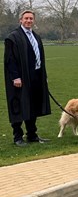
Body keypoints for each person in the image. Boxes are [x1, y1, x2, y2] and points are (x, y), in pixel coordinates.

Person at [4, 10, 51, 147]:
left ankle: (32, 135)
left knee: (33, 106)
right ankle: (17, 136)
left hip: (35, 77)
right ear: (21, 20)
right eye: (26, 18)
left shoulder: (36, 37)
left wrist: (43, 77)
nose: (29, 21)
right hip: (20, 79)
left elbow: (40, 59)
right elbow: (9, 60)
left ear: (34, 21)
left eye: (31, 18)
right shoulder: (13, 37)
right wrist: (15, 77)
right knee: (18, 106)